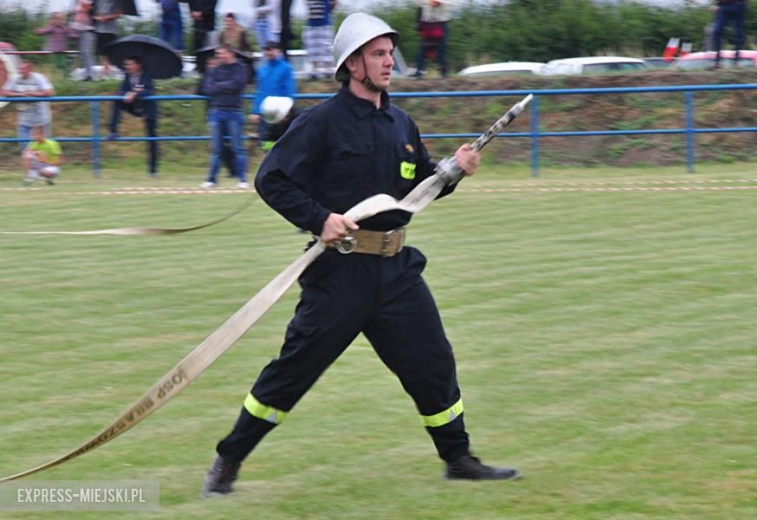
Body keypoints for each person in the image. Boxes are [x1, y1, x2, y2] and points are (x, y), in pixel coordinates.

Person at [201, 13, 520, 497]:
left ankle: (458, 459)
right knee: (291, 374)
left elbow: (417, 186)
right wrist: (319, 218)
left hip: (396, 272)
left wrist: (454, 171)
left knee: (433, 362)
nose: (389, 61)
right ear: (352, 64)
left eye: (390, 53)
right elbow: (272, 180)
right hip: (339, 275)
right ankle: (228, 460)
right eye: (378, 54)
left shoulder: (400, 123)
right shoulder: (319, 123)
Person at [200, 44, 249, 189]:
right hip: (216, 111)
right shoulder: (214, 70)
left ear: (230, 53)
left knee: (237, 147)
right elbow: (207, 89)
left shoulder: (241, 68)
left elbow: (237, 84)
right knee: (216, 148)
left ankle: (242, 179)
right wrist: (225, 88)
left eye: (221, 53)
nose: (218, 56)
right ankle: (211, 179)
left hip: (234, 111)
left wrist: (219, 87)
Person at [107, 55, 159, 176]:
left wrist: (135, 94)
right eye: (126, 64)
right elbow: (122, 90)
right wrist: (127, 94)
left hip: (148, 109)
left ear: (138, 65)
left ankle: (153, 170)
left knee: (152, 139)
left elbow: (150, 90)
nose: (127, 67)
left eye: (129, 64)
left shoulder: (147, 74)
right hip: (134, 106)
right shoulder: (127, 75)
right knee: (117, 101)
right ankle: (113, 131)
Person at [249, 41, 296, 150]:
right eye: (267, 50)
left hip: (280, 112)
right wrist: (255, 111)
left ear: (278, 51)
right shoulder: (262, 70)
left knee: (283, 144)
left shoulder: (285, 68)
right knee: (265, 144)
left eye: (272, 49)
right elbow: (259, 91)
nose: (270, 52)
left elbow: (289, 90)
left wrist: (287, 110)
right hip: (265, 112)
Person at [0, 60, 55, 150]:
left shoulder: (39, 78)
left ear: (30, 69)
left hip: (40, 117)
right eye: (20, 69)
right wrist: (18, 95)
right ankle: (28, 161)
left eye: (23, 69)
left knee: (44, 144)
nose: (21, 71)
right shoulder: (15, 78)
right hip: (24, 118)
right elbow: (3, 91)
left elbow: (50, 91)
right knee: (24, 144)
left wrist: (34, 94)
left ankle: (44, 162)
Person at [413, 0, 451, 79]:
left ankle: (444, 72)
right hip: (427, 24)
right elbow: (418, 3)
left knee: (442, 49)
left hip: (441, 23)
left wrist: (439, 2)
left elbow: (450, 3)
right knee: (423, 50)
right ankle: (419, 72)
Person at [34, 12, 75, 79]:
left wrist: (74, 36)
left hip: (62, 50)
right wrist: (39, 31)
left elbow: (69, 35)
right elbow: (44, 31)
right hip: (53, 50)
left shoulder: (64, 28)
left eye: (61, 19)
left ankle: (67, 77)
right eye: (57, 19)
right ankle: (54, 78)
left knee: (63, 64)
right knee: (55, 65)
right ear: (53, 20)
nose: (59, 21)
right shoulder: (52, 28)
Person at [303, 0, 337, 80]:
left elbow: (335, 3)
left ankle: (329, 69)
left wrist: (330, 7)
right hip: (311, 23)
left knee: (327, 47)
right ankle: (314, 70)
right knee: (313, 48)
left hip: (324, 23)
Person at [712, 0, 747, 69]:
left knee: (739, 33)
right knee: (717, 31)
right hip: (723, 6)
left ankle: (736, 61)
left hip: (738, 5)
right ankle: (717, 62)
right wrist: (716, 4)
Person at [93, 0, 122, 78]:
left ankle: (108, 68)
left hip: (110, 30)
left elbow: (118, 14)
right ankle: (105, 68)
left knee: (110, 50)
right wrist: (97, 17)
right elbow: (93, 12)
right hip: (99, 28)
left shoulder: (115, 2)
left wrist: (107, 17)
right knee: (101, 50)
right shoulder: (97, 2)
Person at [70, 0, 97, 81]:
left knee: (87, 52)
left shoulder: (91, 2)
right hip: (77, 30)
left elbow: (90, 9)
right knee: (82, 53)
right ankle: (86, 75)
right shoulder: (75, 2)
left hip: (88, 30)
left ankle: (91, 75)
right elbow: (73, 15)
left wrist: (84, 6)